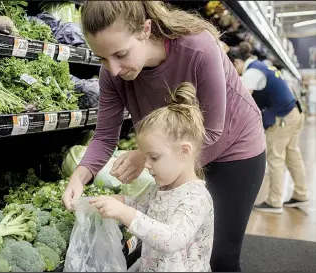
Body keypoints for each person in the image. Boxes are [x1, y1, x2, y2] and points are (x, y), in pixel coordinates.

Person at [62, 1, 266, 271]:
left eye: (121, 54)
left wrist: (146, 154)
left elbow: (213, 131)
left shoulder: (197, 48)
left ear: (146, 30)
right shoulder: (112, 75)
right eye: (102, 58)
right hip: (173, 152)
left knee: (219, 255)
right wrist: (79, 176)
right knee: (175, 247)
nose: (113, 69)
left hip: (233, 147)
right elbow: (104, 137)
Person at [89, 82, 214, 272]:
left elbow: (171, 239)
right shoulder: (160, 187)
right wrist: (121, 201)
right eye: (145, 157)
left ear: (184, 151)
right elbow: (142, 207)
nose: (146, 165)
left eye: (154, 157)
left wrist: (124, 213)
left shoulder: (195, 198)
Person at [227, 42, 308, 214]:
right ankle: (301, 193)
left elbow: (242, 101)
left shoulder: (251, 72)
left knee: (275, 158)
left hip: (282, 117)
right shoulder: (261, 65)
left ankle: (274, 202)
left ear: (236, 63)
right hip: (295, 113)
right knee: (293, 155)